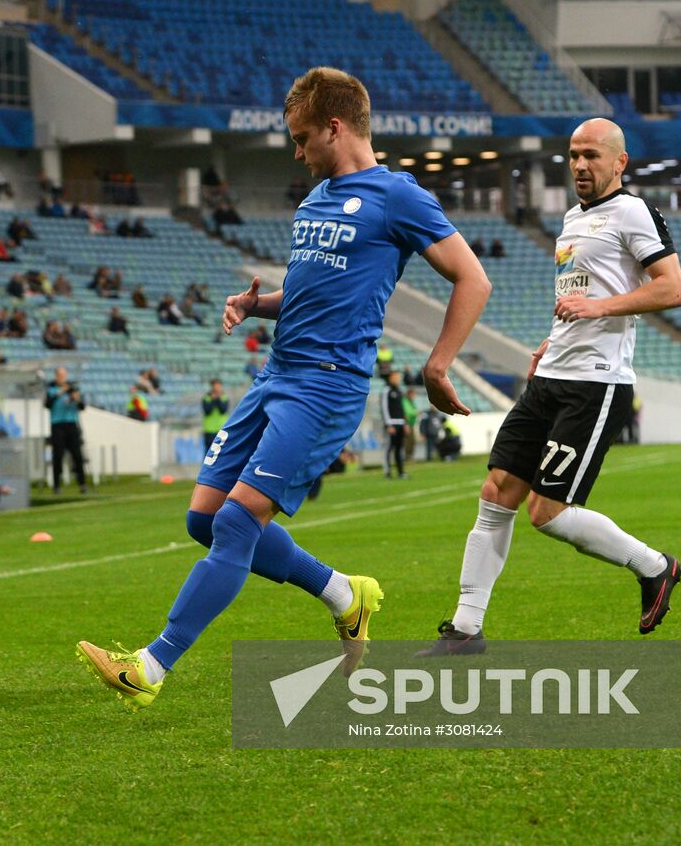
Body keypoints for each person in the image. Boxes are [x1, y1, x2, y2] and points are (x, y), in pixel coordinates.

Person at [77, 66, 490, 709]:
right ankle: (344, 595)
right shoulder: (316, 199)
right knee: (203, 519)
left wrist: (438, 365)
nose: (296, 154)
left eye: (301, 138)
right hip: (276, 374)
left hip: (327, 387)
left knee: (238, 522)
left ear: (335, 126)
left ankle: (151, 668)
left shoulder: (396, 196)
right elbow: (309, 288)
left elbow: (473, 279)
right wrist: (258, 303)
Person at [419, 117, 681, 656]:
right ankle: (467, 629)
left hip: (595, 385)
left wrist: (599, 307)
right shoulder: (571, 218)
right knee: (496, 492)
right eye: (573, 155)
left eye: (592, 155)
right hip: (552, 375)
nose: (581, 166)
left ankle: (656, 567)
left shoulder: (634, 212)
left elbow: (672, 289)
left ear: (620, 162)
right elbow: (580, 294)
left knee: (547, 512)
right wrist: (552, 339)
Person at [46, 367, 87, 495]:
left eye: (64, 375)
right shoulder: (51, 388)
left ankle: (82, 484)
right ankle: (57, 486)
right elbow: (47, 404)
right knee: (58, 456)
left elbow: (82, 406)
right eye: (59, 375)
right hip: (57, 425)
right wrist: (59, 392)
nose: (62, 377)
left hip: (71, 424)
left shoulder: (73, 389)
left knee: (77, 455)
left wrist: (77, 398)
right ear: (56, 376)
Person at [382, 370, 407, 479]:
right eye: (395, 377)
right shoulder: (386, 390)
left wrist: (405, 423)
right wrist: (388, 424)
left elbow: (401, 408)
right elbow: (384, 408)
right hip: (391, 424)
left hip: (400, 423)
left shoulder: (399, 391)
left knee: (399, 449)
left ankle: (401, 472)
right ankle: (387, 472)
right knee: (389, 449)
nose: (397, 379)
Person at [201, 379, 228, 453]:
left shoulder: (224, 397)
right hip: (209, 429)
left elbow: (223, 410)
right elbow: (207, 411)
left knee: (221, 452)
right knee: (208, 451)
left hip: (221, 429)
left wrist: (218, 399)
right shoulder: (207, 398)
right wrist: (213, 400)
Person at [402, 387, 420, 462]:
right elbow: (407, 413)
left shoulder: (410, 401)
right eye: (413, 394)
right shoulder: (405, 401)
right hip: (407, 424)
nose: (414, 396)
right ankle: (407, 457)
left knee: (412, 440)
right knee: (408, 441)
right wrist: (415, 412)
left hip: (411, 424)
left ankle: (410, 456)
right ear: (410, 394)